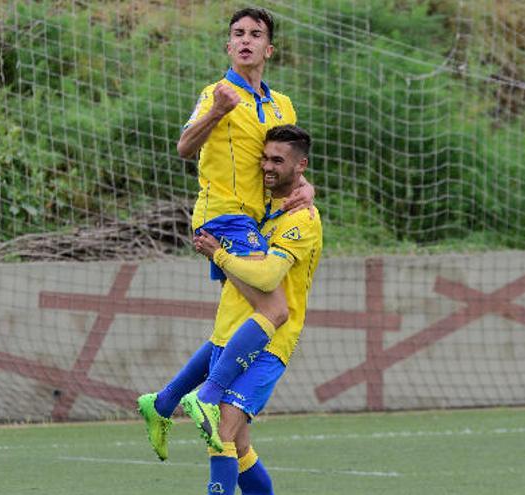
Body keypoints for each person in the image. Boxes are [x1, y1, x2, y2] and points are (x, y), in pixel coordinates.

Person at [137, 7, 312, 461]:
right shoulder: (216, 92)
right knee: (274, 307)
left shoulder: (281, 104)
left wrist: (308, 186)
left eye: (256, 34)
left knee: (237, 322)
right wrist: (215, 112)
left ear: (268, 49)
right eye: (238, 34)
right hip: (223, 215)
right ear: (228, 46)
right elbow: (184, 147)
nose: (247, 40)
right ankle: (208, 396)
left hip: (255, 222)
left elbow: (285, 159)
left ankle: (163, 402)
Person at [189, 124, 322, 495]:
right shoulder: (263, 206)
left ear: (301, 166)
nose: (266, 166)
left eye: (277, 160)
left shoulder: (303, 219)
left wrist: (218, 253)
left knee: (222, 430)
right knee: (238, 445)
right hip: (240, 334)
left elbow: (267, 277)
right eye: (264, 158)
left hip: (272, 342)